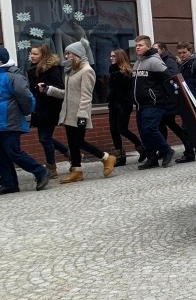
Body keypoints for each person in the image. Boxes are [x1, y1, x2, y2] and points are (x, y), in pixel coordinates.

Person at [44, 40, 116, 182]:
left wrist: (82, 116)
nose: (66, 56)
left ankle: (106, 157)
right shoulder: (71, 71)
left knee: (79, 141)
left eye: (69, 54)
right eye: (66, 54)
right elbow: (68, 93)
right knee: (72, 143)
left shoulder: (87, 71)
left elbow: (86, 96)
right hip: (69, 113)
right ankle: (76, 170)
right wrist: (49, 90)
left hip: (79, 114)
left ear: (77, 55)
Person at [0, 47, 50, 193]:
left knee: (13, 152)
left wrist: (26, 111)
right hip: (3, 122)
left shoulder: (12, 76)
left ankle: (41, 171)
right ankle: (9, 183)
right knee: (1, 154)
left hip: (9, 121)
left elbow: (26, 97)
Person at [28, 43, 70, 178]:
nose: (32, 56)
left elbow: (60, 88)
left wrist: (46, 87)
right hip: (39, 108)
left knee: (45, 138)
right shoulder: (33, 68)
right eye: (31, 53)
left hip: (50, 108)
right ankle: (69, 154)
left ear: (44, 55)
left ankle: (51, 168)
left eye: (35, 54)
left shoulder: (52, 69)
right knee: (44, 138)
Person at [133, 35, 175, 168]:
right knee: (143, 132)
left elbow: (169, 79)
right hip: (140, 104)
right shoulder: (137, 63)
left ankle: (167, 150)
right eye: (136, 45)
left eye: (140, 45)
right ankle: (152, 158)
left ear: (148, 46)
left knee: (149, 128)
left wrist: (165, 97)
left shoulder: (155, 62)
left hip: (154, 102)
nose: (137, 47)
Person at [107, 48, 145, 167]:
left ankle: (141, 147)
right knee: (113, 129)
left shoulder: (126, 72)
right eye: (111, 56)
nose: (111, 58)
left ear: (120, 57)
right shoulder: (112, 70)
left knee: (122, 129)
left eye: (113, 56)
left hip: (123, 104)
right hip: (113, 104)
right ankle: (120, 157)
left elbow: (128, 90)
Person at [154, 42, 185, 149]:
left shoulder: (169, 60)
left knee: (167, 121)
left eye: (156, 49)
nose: (154, 51)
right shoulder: (160, 60)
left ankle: (187, 142)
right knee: (165, 122)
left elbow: (172, 76)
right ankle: (165, 148)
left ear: (163, 49)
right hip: (165, 97)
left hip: (169, 97)